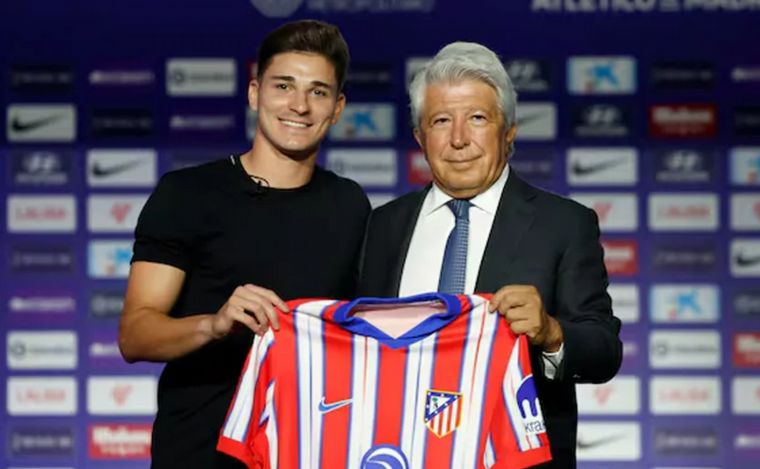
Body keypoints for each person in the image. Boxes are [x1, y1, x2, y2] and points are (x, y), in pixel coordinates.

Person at [118, 20, 370, 468]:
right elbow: (135, 335)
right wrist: (214, 325)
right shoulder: (187, 194)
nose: (299, 105)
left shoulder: (349, 205)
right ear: (255, 93)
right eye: (284, 86)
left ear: (337, 108)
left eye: (318, 92)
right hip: (199, 452)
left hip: (310, 451)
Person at [358, 42, 622, 468]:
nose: (459, 139)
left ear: (509, 131)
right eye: (441, 121)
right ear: (420, 138)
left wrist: (551, 334)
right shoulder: (382, 225)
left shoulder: (564, 224)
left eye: (477, 118)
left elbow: (604, 351)